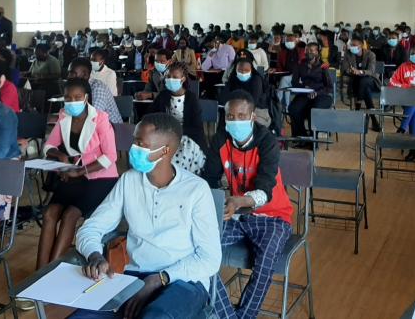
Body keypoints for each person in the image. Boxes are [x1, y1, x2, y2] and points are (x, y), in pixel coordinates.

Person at [71, 113, 220, 319]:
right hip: (135, 277)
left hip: (185, 281)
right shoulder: (129, 181)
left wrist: (160, 279)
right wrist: (95, 255)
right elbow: (91, 228)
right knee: (82, 317)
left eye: (141, 144)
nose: (133, 149)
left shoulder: (196, 190)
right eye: (134, 141)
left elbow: (210, 259)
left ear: (165, 151)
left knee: (156, 316)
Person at [202, 90, 293, 319]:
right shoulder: (220, 139)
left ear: (252, 117)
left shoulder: (267, 142)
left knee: (264, 266)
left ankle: (243, 316)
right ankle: (227, 315)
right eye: (230, 116)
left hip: (273, 218)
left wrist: (238, 201)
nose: (235, 121)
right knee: (201, 249)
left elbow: (265, 190)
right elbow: (209, 180)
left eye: (242, 116)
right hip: (236, 216)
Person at [37, 78, 118, 268]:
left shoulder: (100, 118)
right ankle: (38, 273)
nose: (72, 101)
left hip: (100, 178)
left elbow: (110, 156)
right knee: (49, 213)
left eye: (77, 97)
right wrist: (60, 156)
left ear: (86, 98)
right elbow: (48, 145)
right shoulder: (64, 116)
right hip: (73, 176)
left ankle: (52, 271)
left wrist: (81, 171)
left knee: (70, 215)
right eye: (68, 97)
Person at [151, 62, 207, 150]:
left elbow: (196, 127)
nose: (170, 79)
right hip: (165, 138)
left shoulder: (191, 98)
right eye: (168, 77)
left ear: (182, 79)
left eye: (175, 77)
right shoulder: (163, 96)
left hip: (188, 139)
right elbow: (151, 116)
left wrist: (175, 132)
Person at [288, 43, 334, 139]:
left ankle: (313, 139)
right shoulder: (300, 64)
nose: (309, 52)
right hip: (305, 93)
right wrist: (304, 88)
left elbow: (329, 87)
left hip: (322, 95)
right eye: (307, 50)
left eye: (311, 50)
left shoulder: (323, 66)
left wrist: (317, 92)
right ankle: (301, 137)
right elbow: (294, 82)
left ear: (317, 52)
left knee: (313, 110)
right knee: (293, 108)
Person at [342, 37, 381, 131]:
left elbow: (371, 71)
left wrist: (359, 72)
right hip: (355, 81)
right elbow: (345, 68)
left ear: (361, 45)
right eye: (351, 45)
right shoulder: (348, 54)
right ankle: (373, 119)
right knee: (364, 87)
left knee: (364, 81)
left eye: (354, 45)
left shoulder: (370, 54)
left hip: (370, 80)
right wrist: (351, 71)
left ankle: (357, 109)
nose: (352, 47)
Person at [223, 58, 271, 127]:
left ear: (251, 70)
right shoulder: (233, 79)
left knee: (246, 125)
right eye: (240, 70)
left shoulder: (256, 80)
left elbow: (254, 102)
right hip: (236, 111)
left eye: (246, 70)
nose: (243, 73)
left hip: (257, 111)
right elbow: (225, 97)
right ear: (236, 70)